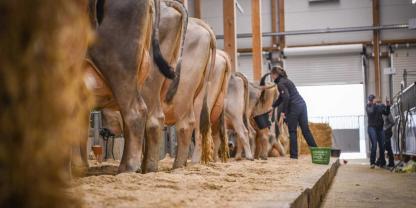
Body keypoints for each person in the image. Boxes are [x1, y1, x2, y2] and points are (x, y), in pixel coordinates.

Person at [270, 66, 317, 159]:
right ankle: (316, 153)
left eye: (271, 75)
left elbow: (286, 97)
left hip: (294, 107)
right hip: (302, 105)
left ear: (275, 75)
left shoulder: (280, 83)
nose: (271, 77)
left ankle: (294, 156)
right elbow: (282, 97)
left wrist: (283, 112)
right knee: (306, 130)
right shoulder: (287, 81)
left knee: (292, 131)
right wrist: (273, 106)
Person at [366, 95, 390, 169]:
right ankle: (372, 162)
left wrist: (388, 105)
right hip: (371, 128)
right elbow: (371, 112)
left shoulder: (380, 106)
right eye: (370, 100)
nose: (370, 101)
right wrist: (373, 104)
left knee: (382, 145)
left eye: (372, 100)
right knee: (374, 144)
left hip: (380, 128)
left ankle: (382, 162)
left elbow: (386, 113)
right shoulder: (368, 106)